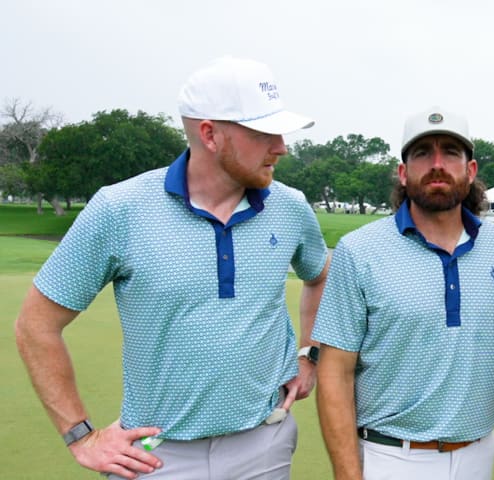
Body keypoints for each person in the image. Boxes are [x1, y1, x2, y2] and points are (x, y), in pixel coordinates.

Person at [15, 56, 329, 479]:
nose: (281, 146)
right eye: (262, 132)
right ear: (210, 134)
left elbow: (320, 273)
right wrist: (81, 436)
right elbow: (36, 324)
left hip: (265, 443)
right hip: (156, 455)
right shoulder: (119, 209)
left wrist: (309, 353)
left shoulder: (289, 207)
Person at [313, 106, 494, 480]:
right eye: (423, 153)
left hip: (477, 452)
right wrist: (347, 473)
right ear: (404, 172)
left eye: (451, 153)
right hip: (390, 455)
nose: (437, 164)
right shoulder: (358, 250)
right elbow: (334, 371)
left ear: (470, 171)